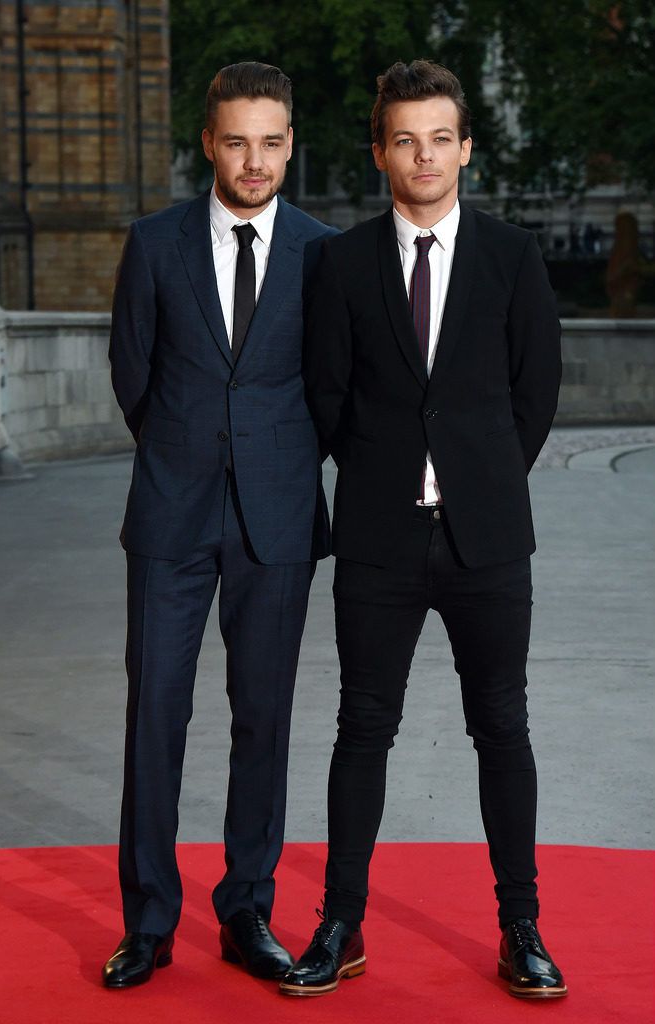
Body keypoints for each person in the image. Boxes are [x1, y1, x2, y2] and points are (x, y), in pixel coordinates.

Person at [280, 60, 567, 1000]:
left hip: (488, 540)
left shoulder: (514, 256)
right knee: (362, 729)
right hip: (378, 540)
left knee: (503, 729)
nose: (424, 154)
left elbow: (536, 393)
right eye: (405, 138)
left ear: (466, 148)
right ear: (380, 153)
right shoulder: (340, 263)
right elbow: (327, 394)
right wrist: (381, 476)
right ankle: (341, 925)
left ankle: (521, 927)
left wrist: (478, 480)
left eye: (440, 137)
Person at [102, 61, 335, 989]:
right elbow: (132, 373)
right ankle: (149, 922)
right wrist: (185, 450)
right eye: (236, 141)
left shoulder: (325, 253)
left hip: (276, 522)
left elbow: (335, 384)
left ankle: (246, 911)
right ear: (209, 142)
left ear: (289, 145)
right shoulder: (155, 243)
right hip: (171, 515)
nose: (254, 160)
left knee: (264, 720)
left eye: (271, 142)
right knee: (155, 714)